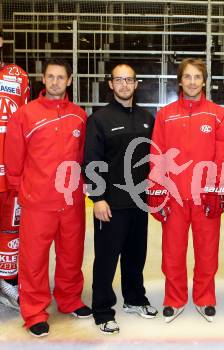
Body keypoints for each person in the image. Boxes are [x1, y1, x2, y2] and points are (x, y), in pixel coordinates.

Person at [4, 58, 91, 337]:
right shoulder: (25, 115)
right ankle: (34, 311)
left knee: (71, 255)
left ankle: (69, 300)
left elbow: (83, 158)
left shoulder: (79, 115)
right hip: (37, 202)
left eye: (60, 77)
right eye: (50, 77)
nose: (55, 82)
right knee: (34, 260)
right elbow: (14, 158)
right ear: (44, 79)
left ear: (69, 81)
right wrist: (22, 190)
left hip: (71, 202)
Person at [147, 58, 224, 323]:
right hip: (175, 197)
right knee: (172, 251)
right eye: (188, 77)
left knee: (207, 251)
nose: (193, 82)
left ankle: (205, 297)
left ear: (204, 81)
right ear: (180, 81)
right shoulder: (165, 114)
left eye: (197, 77)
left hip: (205, 196)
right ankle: (174, 297)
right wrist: (157, 189)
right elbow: (157, 154)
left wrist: (218, 189)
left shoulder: (218, 114)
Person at [83, 63, 158, 334]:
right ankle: (102, 310)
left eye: (129, 80)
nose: (125, 85)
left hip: (139, 202)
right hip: (111, 204)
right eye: (119, 80)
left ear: (136, 84)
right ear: (111, 85)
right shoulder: (99, 119)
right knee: (106, 258)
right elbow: (91, 162)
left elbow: (153, 160)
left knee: (135, 255)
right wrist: (98, 198)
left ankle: (135, 298)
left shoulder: (148, 118)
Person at [0, 29, 30, 310]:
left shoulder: (16, 76)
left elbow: (24, 125)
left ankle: (7, 281)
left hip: (8, 174)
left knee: (10, 229)